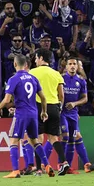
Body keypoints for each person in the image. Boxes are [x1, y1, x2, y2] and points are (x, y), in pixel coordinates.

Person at [0, 55, 52, 178]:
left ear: (15, 64)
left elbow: (7, 99)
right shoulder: (33, 78)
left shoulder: (14, 79)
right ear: (26, 64)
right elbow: (43, 98)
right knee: (35, 141)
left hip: (21, 114)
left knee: (13, 140)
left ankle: (15, 170)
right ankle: (47, 166)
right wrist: (44, 111)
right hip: (33, 113)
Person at [30, 48, 69, 176]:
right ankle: (64, 162)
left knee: (38, 139)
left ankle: (39, 169)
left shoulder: (32, 73)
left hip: (39, 106)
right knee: (53, 138)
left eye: (36, 58)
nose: (35, 60)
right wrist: (59, 107)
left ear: (41, 58)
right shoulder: (56, 73)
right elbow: (61, 95)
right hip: (54, 107)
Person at [61, 56, 94, 174]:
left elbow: (85, 99)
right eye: (70, 64)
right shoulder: (61, 79)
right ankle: (56, 164)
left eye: (75, 64)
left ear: (78, 66)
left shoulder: (81, 81)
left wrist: (74, 103)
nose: (73, 66)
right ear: (66, 66)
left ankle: (73, 166)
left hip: (73, 114)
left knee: (74, 138)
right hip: (62, 113)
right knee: (66, 137)